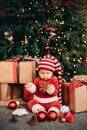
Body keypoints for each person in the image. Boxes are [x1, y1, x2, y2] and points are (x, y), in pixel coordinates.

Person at [25, 55, 62, 120]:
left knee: (57, 104)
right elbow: (35, 90)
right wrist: (31, 87)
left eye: (47, 73)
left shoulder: (54, 80)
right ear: (38, 72)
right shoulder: (37, 80)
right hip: (38, 100)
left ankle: (52, 111)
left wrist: (51, 89)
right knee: (30, 103)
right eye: (42, 73)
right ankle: (40, 109)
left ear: (52, 73)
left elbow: (56, 91)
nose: (45, 75)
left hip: (51, 101)